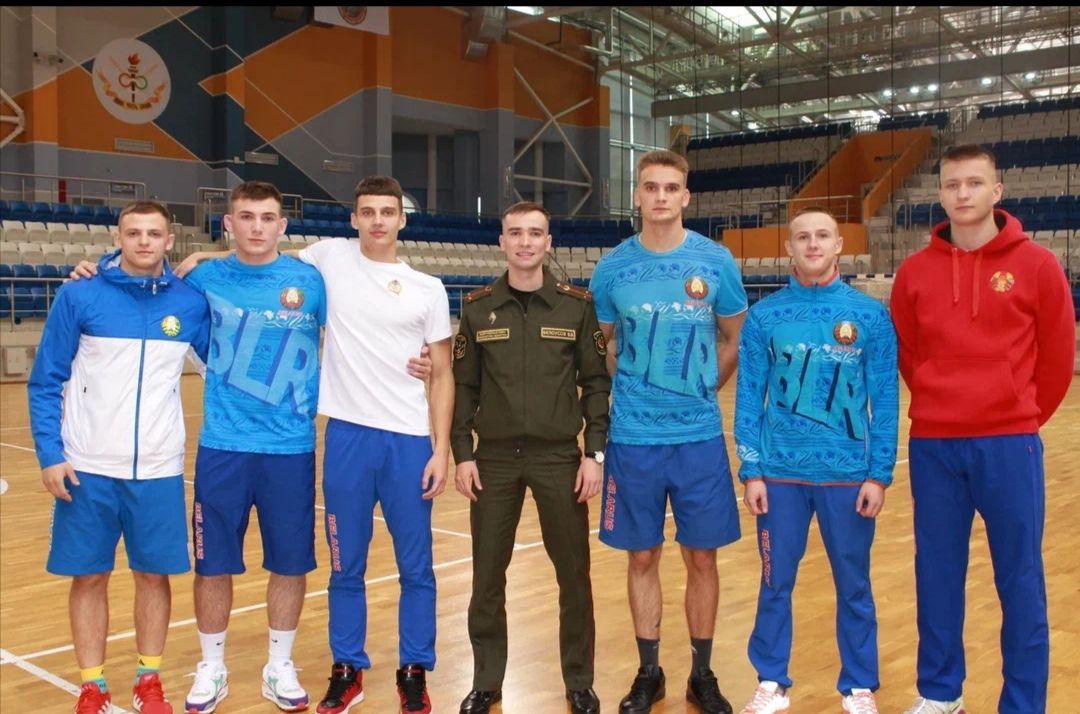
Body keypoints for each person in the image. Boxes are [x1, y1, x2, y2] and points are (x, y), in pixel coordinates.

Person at [890, 144, 1075, 714]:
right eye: (952, 184)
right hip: (934, 445)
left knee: (1020, 577)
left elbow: (1057, 356)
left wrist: (1017, 413)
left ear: (997, 191)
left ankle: (1023, 702)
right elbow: (908, 353)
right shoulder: (914, 273)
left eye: (974, 183)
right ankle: (940, 693)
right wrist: (942, 400)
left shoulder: (1037, 265)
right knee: (936, 573)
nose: (962, 193)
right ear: (941, 194)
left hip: (1009, 445)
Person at [28, 200, 210, 714]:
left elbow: (224, 365)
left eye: (154, 233)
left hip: (158, 468)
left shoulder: (191, 303)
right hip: (87, 467)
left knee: (153, 575)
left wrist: (213, 259)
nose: (144, 242)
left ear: (170, 240)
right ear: (118, 238)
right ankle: (93, 684)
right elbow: (46, 380)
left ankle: (149, 679)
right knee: (89, 576)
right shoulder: (80, 294)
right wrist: (50, 454)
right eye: (134, 233)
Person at [589, 149, 748, 714]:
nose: (660, 196)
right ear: (637, 195)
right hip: (634, 438)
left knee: (702, 557)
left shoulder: (716, 261)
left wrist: (707, 386)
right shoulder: (611, 268)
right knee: (642, 558)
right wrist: (630, 384)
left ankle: (702, 674)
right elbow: (601, 345)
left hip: (698, 437)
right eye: (651, 187)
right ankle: (649, 672)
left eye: (671, 187)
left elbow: (735, 336)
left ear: (685, 196)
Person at [733, 207, 898, 714]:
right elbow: (748, 397)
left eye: (822, 235)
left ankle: (859, 686)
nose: (812, 244)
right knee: (774, 582)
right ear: (789, 247)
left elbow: (885, 399)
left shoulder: (870, 316)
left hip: (847, 478)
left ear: (839, 244)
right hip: (779, 477)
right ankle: (771, 681)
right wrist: (752, 470)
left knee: (854, 584)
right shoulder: (764, 316)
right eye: (802, 237)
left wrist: (879, 474)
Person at [299, 177, 453, 714]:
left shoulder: (427, 288)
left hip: (408, 442)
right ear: (354, 218)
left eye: (388, 212)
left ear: (402, 219)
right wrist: (199, 258)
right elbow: (261, 258)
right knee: (345, 564)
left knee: (417, 566)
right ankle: (347, 668)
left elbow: (444, 373)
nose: (378, 221)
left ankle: (414, 670)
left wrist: (441, 449)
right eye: (368, 211)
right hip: (347, 435)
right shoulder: (329, 257)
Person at [451, 201, 611, 714]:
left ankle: (579, 680)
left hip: (559, 458)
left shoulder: (575, 306)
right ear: (502, 241)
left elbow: (596, 383)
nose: (525, 242)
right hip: (494, 461)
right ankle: (486, 681)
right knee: (486, 576)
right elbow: (464, 387)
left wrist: (594, 454)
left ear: (548, 242)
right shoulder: (477, 308)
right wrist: (462, 453)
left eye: (535, 233)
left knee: (573, 575)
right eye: (516, 233)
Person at [178, 181, 325, 714]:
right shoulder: (203, 278)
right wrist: (93, 267)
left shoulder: (311, 280)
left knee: (290, 561)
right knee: (212, 563)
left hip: (291, 447)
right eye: (246, 217)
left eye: (267, 218)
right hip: (223, 444)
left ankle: (279, 664)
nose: (257, 227)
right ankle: (211, 666)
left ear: (282, 225)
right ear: (228, 223)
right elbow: (141, 277)